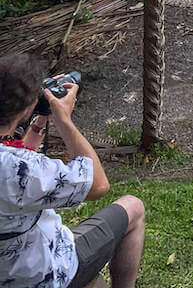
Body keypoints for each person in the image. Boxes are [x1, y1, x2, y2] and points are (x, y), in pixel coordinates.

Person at [0, 52, 145, 288]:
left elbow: (17, 165)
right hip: (40, 275)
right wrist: (63, 119)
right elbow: (98, 185)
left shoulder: (17, 166)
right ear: (27, 107)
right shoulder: (21, 169)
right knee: (134, 207)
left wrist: (38, 125)